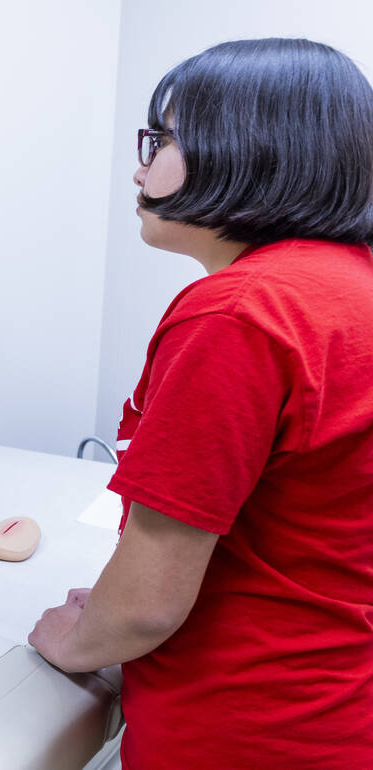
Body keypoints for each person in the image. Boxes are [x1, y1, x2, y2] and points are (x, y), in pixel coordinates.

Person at [28, 38, 373, 768]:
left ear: (245, 147)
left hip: (240, 728)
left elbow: (147, 603)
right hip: (337, 709)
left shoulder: (241, 314)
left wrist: (73, 639)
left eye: (160, 140)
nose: (139, 167)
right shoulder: (351, 288)